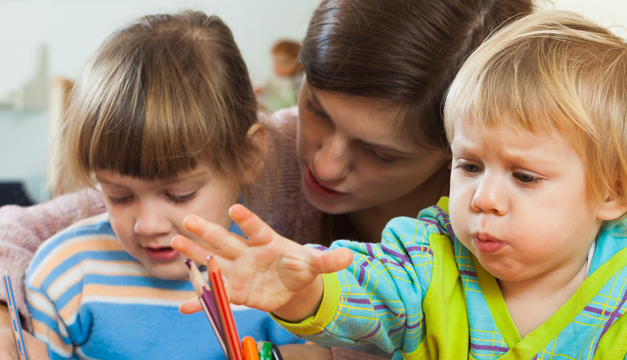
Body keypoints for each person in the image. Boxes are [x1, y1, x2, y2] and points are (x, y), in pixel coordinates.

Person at [0, 0, 535, 358]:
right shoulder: (266, 152)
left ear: (452, 153)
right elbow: (20, 233)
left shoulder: (491, 229)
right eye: (316, 109)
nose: (323, 164)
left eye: (379, 153)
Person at [172, 10, 627, 359]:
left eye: (524, 176)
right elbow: (365, 288)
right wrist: (302, 290)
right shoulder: (427, 254)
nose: (484, 198)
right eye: (469, 166)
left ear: (613, 193)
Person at [21, 11, 307, 359]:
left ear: (247, 158)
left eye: (179, 195)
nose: (149, 225)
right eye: (119, 196)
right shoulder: (66, 275)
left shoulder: (278, 279)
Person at [255, 40, 305, 112]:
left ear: (300, 63)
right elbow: (261, 88)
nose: (280, 66)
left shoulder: (299, 80)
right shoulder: (271, 80)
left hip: (291, 112)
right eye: (276, 61)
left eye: (286, 62)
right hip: (272, 111)